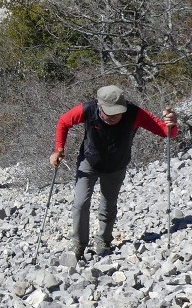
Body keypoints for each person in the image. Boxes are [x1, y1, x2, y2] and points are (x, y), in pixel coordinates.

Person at [50, 84, 178, 260]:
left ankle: (103, 241)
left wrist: (172, 124)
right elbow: (63, 122)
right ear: (99, 106)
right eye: (108, 113)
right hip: (89, 161)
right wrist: (59, 149)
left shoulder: (134, 113)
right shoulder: (87, 110)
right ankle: (79, 244)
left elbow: (166, 132)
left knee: (108, 204)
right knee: (80, 203)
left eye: (117, 112)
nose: (113, 117)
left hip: (116, 165)